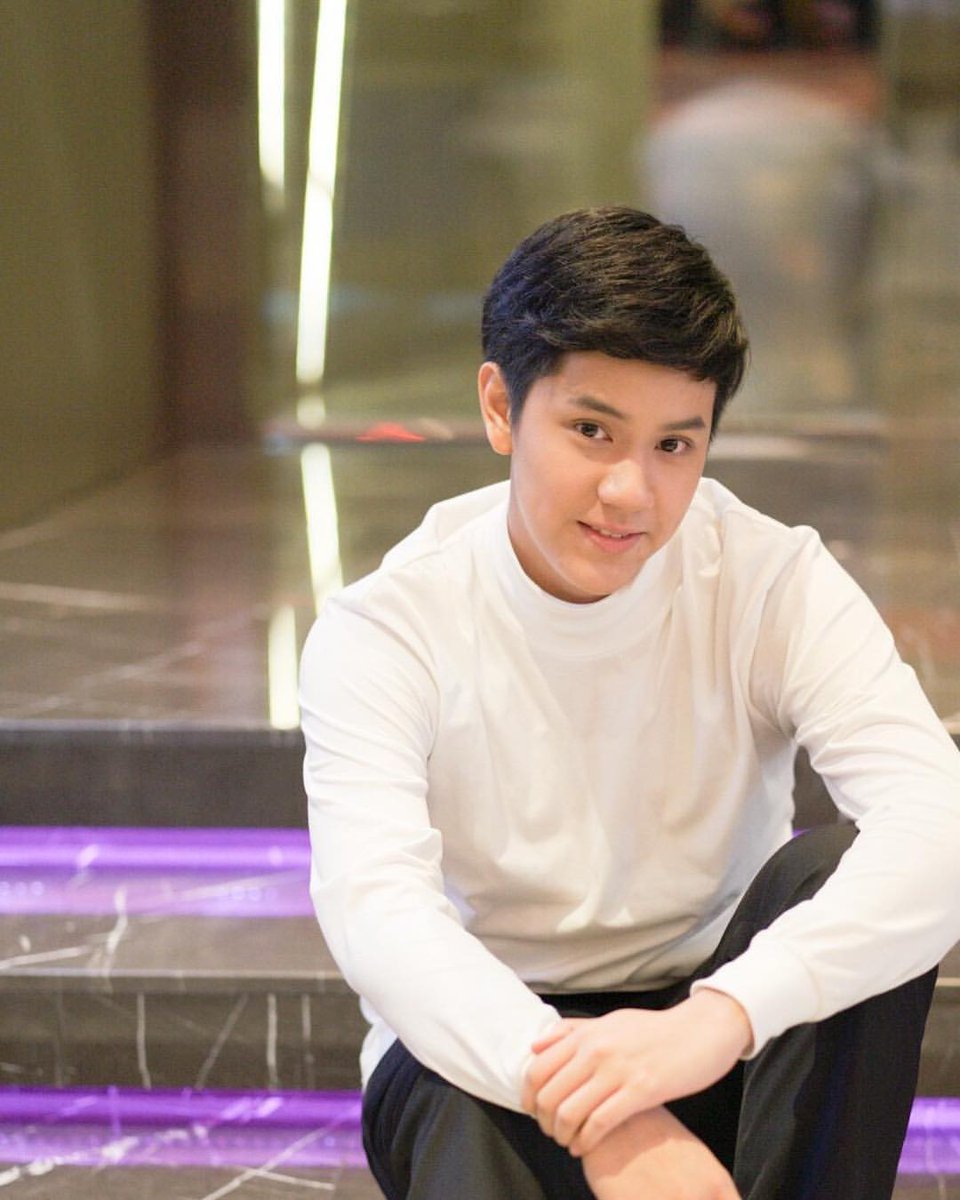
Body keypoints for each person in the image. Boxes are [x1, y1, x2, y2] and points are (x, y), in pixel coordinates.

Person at [299, 207, 960, 1199]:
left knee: (839, 873)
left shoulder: (769, 579)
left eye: (674, 445)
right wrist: (607, 1113)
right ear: (500, 407)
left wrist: (721, 1018)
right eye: (591, 430)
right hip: (491, 1047)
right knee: (453, 1074)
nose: (630, 492)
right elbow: (380, 916)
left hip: (713, 1028)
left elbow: (939, 823)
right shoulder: (388, 628)